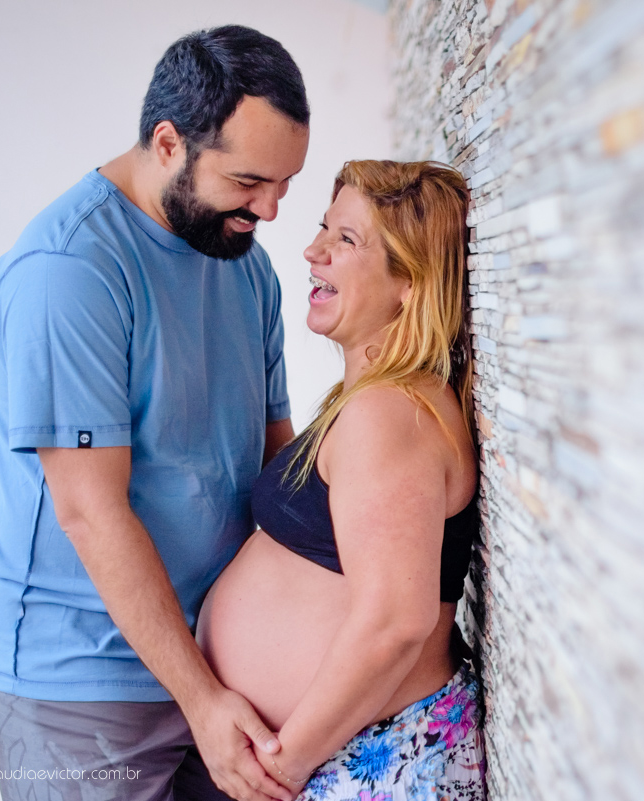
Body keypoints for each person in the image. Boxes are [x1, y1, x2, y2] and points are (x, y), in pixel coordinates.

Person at [0, 26, 310, 801]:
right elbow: (91, 511)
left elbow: (275, 465)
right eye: (249, 180)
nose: (268, 209)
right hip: (77, 686)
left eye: (285, 184)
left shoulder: (248, 268)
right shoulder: (70, 271)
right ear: (168, 143)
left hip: (220, 664)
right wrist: (202, 697)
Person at [196, 160, 485, 801]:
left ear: (409, 281)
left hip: (373, 761)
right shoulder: (374, 401)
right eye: (326, 229)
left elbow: (395, 623)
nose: (312, 250)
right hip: (349, 753)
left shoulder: (391, 415)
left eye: (345, 240)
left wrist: (287, 764)